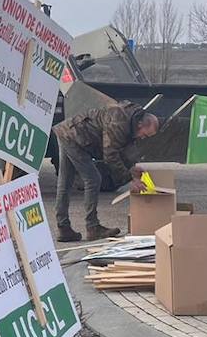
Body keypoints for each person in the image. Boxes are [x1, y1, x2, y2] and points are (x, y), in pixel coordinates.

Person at [51, 102, 160, 242]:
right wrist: (130, 178)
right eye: (145, 134)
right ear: (140, 125)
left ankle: (63, 227)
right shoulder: (119, 122)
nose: (143, 138)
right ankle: (92, 227)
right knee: (93, 179)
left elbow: (121, 148)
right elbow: (110, 154)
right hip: (74, 137)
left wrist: (131, 169)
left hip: (69, 132)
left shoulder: (131, 119)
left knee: (65, 182)